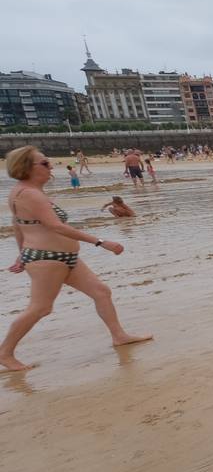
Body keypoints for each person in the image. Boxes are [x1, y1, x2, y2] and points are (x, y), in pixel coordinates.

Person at [2, 147, 152, 372]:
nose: (50, 166)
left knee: (101, 292)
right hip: (47, 259)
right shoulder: (29, 194)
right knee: (40, 308)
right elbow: (56, 226)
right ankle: (4, 353)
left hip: (63, 257)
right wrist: (101, 242)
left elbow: (18, 224)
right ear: (26, 168)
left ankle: (119, 335)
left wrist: (21, 252)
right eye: (44, 163)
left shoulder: (24, 191)